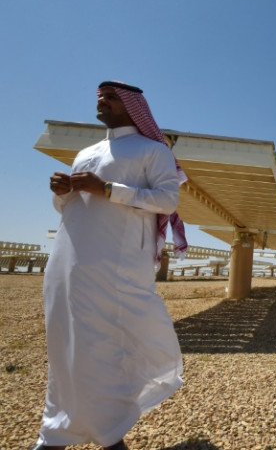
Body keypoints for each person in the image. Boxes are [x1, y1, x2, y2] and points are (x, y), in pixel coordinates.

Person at [34, 81, 188, 450]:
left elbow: (167, 200)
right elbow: (74, 208)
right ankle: (58, 426)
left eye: (111, 97)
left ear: (133, 107)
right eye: (99, 97)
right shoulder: (86, 152)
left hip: (115, 264)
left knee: (101, 344)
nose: (101, 102)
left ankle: (103, 432)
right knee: (64, 340)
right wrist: (64, 193)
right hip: (68, 259)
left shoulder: (153, 151)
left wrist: (106, 189)